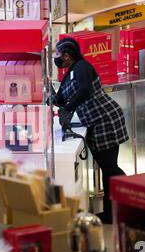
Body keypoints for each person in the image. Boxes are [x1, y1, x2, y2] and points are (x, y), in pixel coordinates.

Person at [53, 37, 129, 224]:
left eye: (58, 55)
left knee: (110, 167)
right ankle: (114, 211)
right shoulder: (70, 72)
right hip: (96, 122)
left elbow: (85, 90)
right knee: (108, 168)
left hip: (105, 119)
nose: (56, 58)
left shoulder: (82, 67)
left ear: (67, 56)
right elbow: (61, 100)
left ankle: (126, 205)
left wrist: (69, 107)